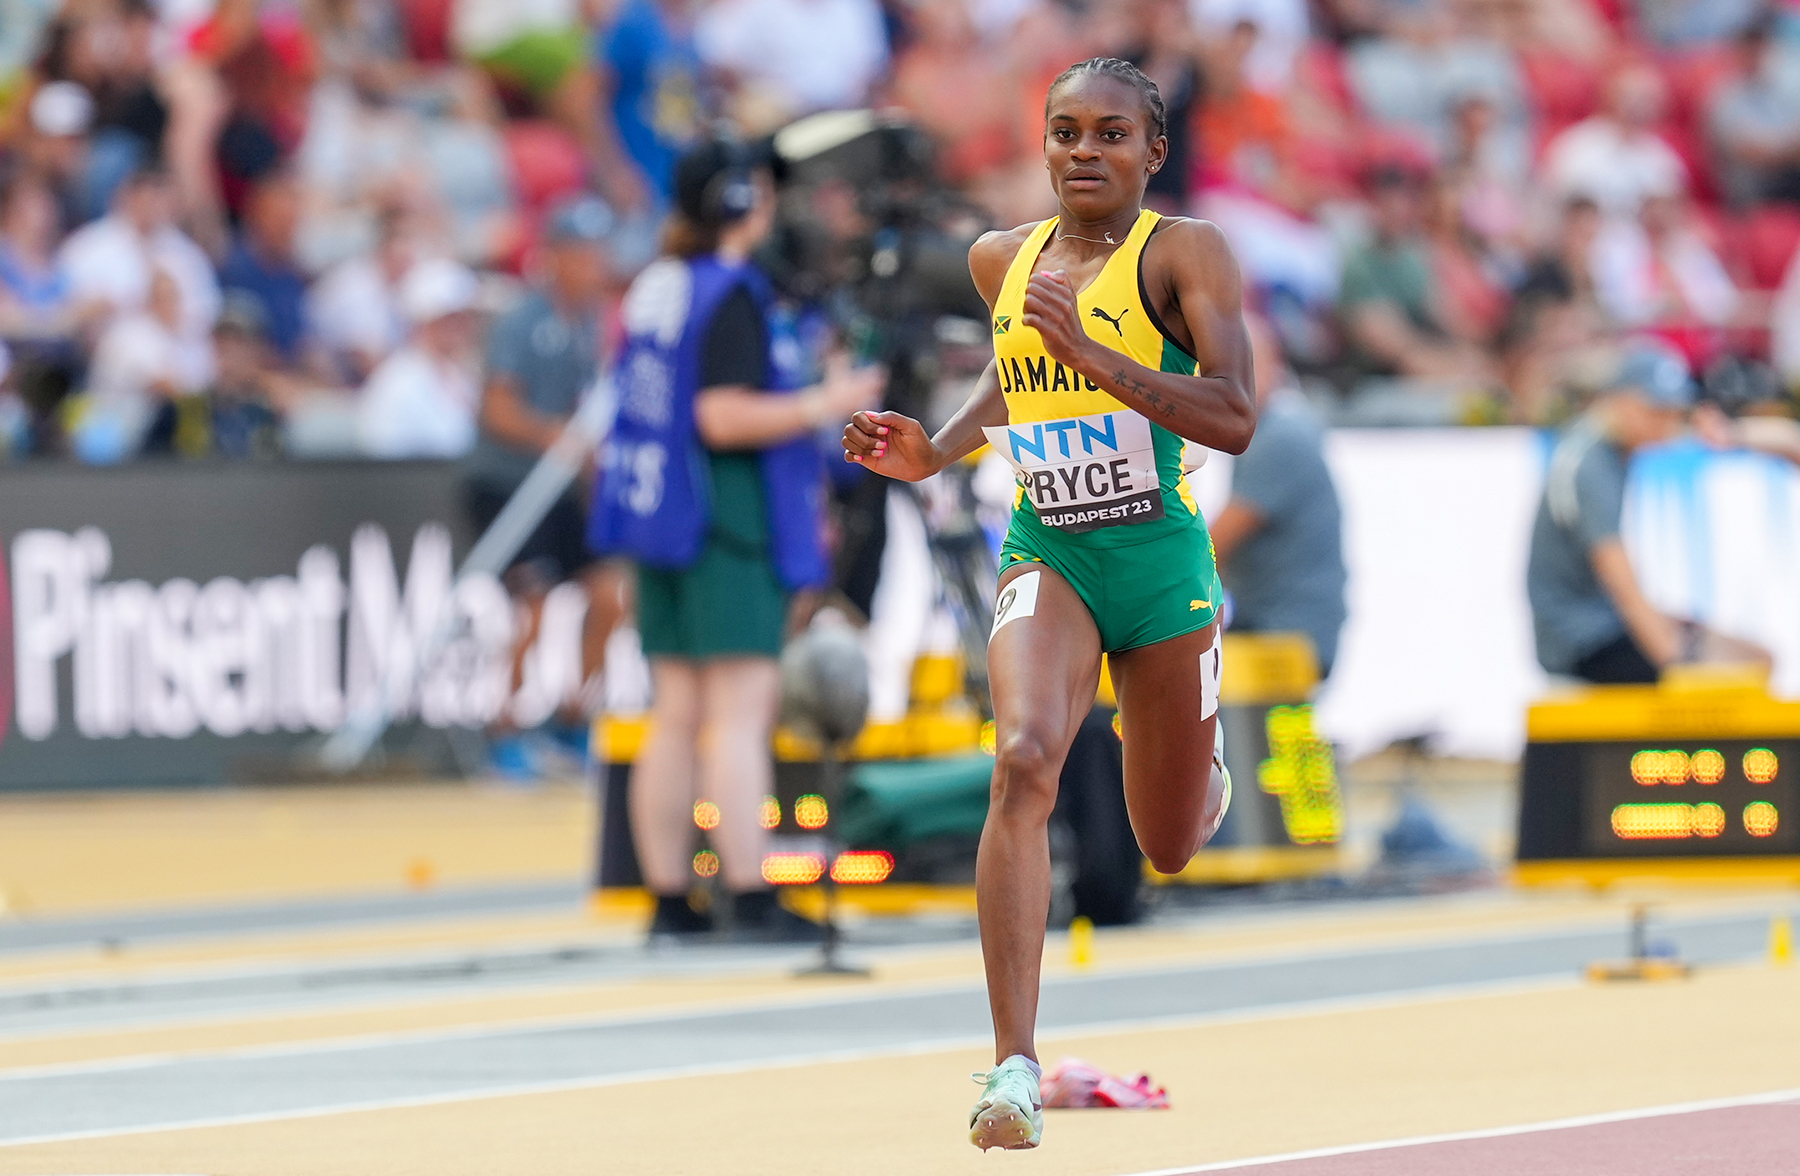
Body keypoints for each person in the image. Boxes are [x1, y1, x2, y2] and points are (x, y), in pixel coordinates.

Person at [841, 57, 1253, 1151]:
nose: (1084, 152)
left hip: (1161, 561)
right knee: (1022, 757)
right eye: (1065, 132)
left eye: (1111, 134)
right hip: (1051, 547)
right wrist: (940, 448)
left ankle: (1195, 769)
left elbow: (1234, 412)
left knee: (1165, 844)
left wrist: (1097, 353)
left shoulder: (1186, 253)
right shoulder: (1001, 261)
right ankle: (1012, 1069)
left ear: (1152, 152)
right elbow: (1014, 375)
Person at [590, 137, 881, 941]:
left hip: (662, 518)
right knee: (737, 713)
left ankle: (669, 898)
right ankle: (750, 891)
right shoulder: (731, 293)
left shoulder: (659, 286)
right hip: (727, 519)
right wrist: (827, 402)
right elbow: (720, 414)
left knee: (675, 711)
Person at [466, 196, 620, 759]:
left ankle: (573, 716)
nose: (594, 265)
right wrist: (555, 435)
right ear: (554, 257)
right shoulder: (522, 322)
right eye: (582, 254)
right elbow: (498, 411)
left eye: (599, 254)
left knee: (611, 595)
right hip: (507, 484)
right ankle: (502, 728)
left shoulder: (592, 325)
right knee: (531, 607)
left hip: (558, 486)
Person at [1527, 342, 1768, 683]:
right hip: (1582, 641)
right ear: (1623, 404)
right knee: (1741, 667)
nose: (1668, 421)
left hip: (1595, 624)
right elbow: (1619, 579)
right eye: (1657, 410)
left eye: (1673, 410)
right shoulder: (1591, 467)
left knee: (1752, 657)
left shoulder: (1600, 447)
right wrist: (1676, 666)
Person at [1208, 315, 1345, 677]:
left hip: (1287, 632)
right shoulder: (1269, 432)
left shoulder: (1279, 439)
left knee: (1267, 726)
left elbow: (1214, 546)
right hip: (1280, 624)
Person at [357, 259, 483, 459]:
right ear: (424, 321)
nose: (464, 327)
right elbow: (384, 461)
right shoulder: (396, 383)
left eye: (466, 316)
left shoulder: (458, 376)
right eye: (451, 318)